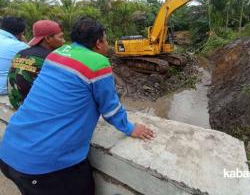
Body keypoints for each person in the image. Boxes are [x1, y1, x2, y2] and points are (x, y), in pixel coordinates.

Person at [0, 17, 154, 195]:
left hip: (10, 151)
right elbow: (110, 109)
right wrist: (130, 128)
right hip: (43, 167)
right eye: (106, 40)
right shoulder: (97, 62)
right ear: (98, 43)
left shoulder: (57, 53)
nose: (107, 44)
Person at [8, 20, 65, 109]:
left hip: (15, 103)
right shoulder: (52, 58)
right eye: (61, 37)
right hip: (34, 109)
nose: (64, 41)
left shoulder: (21, 53)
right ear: (48, 39)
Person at [0, 17, 29, 95]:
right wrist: (24, 42)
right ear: (21, 33)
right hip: (3, 91)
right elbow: (31, 53)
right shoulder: (21, 46)